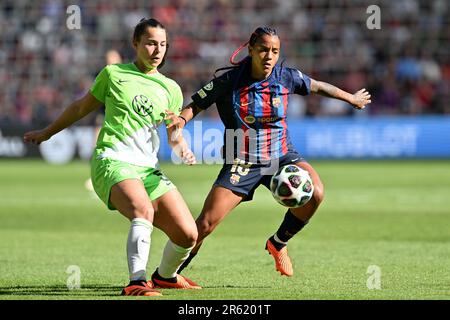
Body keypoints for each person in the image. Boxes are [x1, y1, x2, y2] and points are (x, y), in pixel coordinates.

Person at [167, 27, 371, 278]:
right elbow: (195, 105)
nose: (269, 56)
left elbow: (317, 86)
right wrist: (181, 123)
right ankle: (168, 275)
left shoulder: (285, 77)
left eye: (275, 51)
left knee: (316, 193)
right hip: (243, 161)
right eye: (263, 49)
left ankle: (278, 242)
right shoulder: (228, 82)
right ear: (250, 49)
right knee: (205, 225)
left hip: (281, 155)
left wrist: (350, 98)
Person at [24, 18, 201, 296]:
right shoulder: (114, 74)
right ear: (136, 44)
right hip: (113, 160)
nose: (157, 50)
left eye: (163, 45)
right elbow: (81, 107)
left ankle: (166, 276)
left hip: (147, 169)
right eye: (151, 43)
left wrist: (182, 149)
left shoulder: (171, 89)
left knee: (188, 234)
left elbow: (173, 134)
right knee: (143, 211)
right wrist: (47, 133)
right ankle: (136, 282)